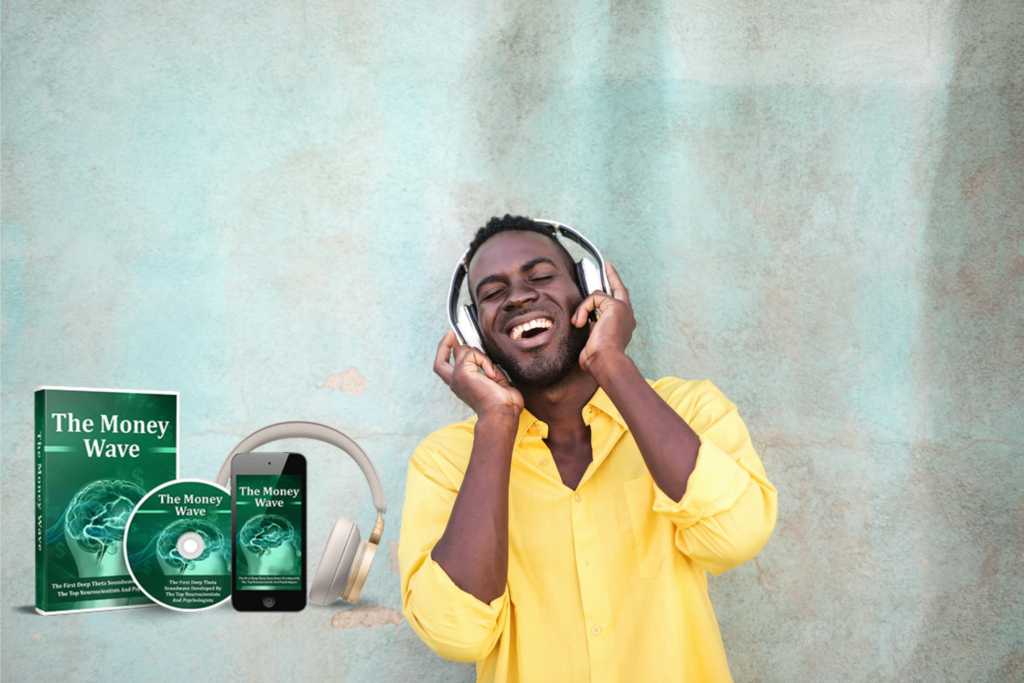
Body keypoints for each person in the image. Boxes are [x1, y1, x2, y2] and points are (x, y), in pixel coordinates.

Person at [399, 215, 777, 683]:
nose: (518, 296)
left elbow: (738, 537)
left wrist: (609, 360)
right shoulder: (445, 462)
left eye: (540, 277)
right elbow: (455, 635)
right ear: (473, 331)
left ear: (589, 289)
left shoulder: (691, 409)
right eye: (494, 293)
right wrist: (496, 421)